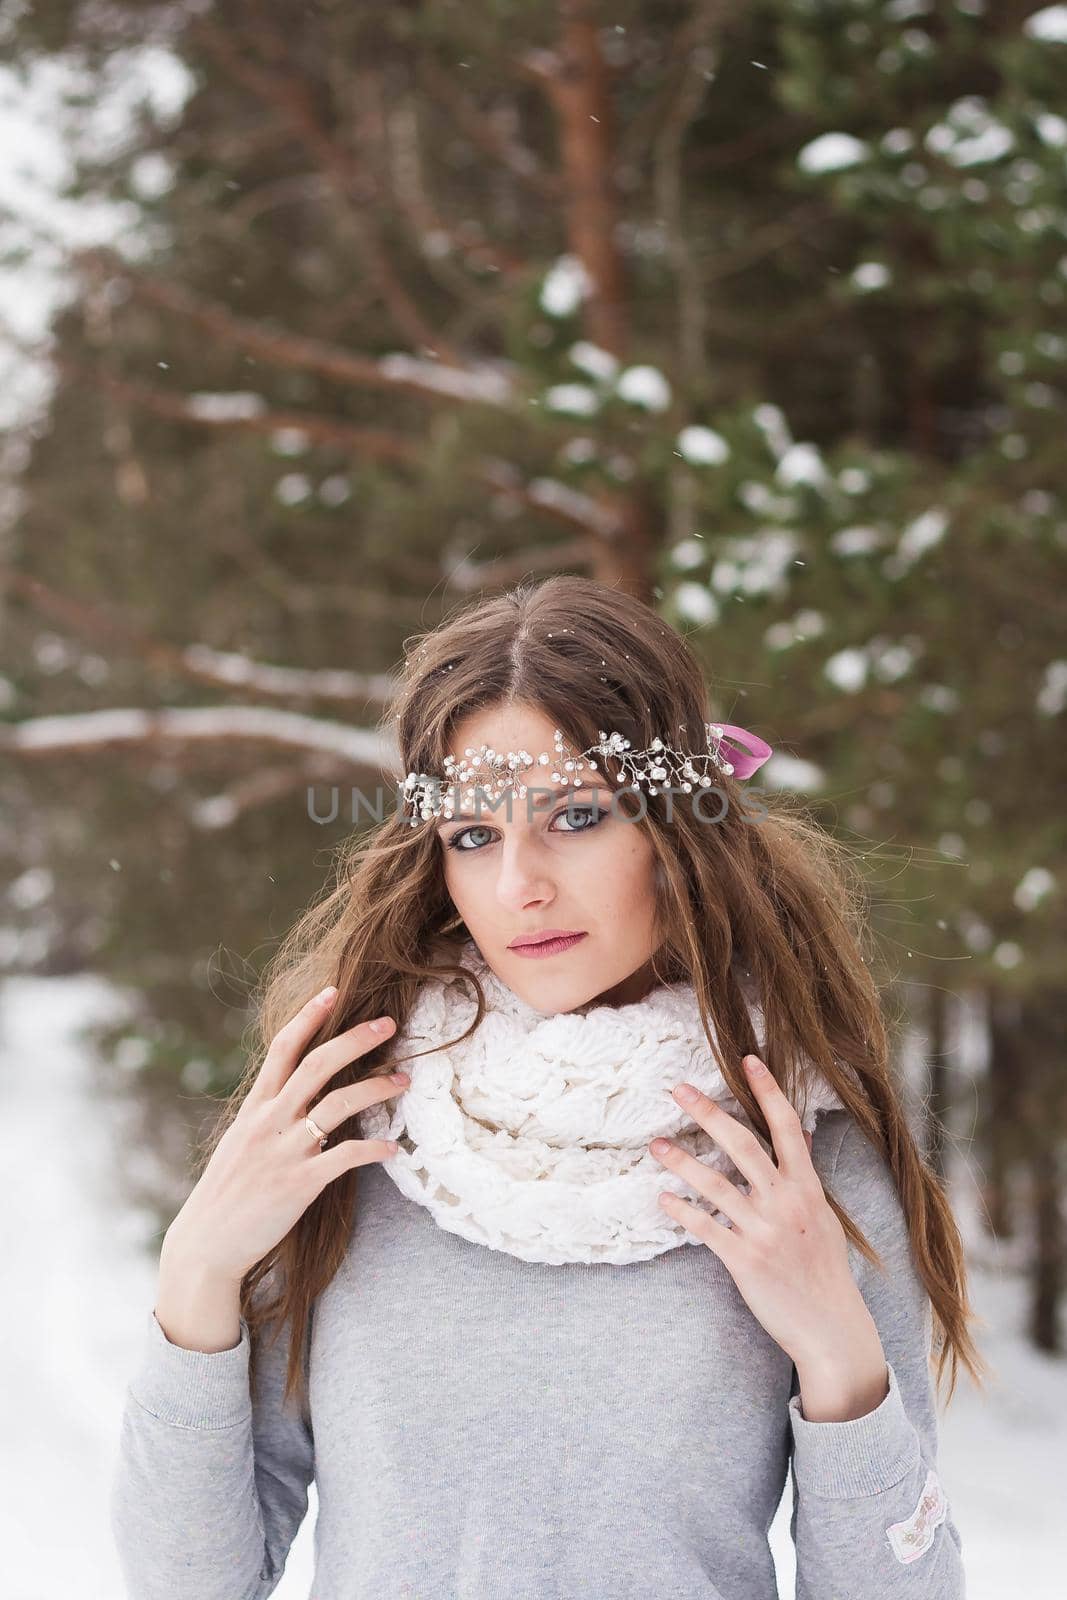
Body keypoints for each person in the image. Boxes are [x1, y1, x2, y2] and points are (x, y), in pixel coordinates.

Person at [110, 575, 986, 1599]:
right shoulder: (352, 1134)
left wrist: (840, 1361)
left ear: (674, 833)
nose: (518, 883)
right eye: (473, 836)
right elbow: (189, 1582)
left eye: (574, 816)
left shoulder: (798, 1155)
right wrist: (197, 1271)